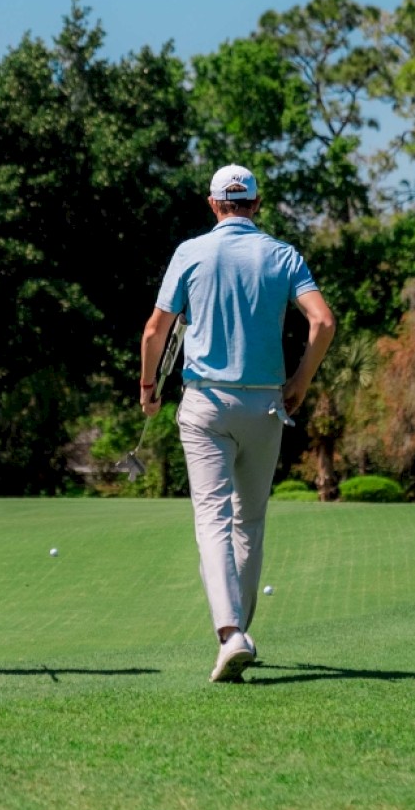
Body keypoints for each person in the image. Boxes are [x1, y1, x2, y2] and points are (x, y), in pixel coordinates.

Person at [139, 164, 335, 683]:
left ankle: (230, 635)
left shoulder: (191, 252)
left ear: (212, 204)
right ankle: (239, 632)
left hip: (206, 403)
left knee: (212, 519)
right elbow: (323, 321)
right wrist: (300, 381)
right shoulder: (282, 254)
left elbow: (155, 330)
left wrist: (147, 388)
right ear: (257, 203)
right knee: (249, 521)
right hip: (266, 405)